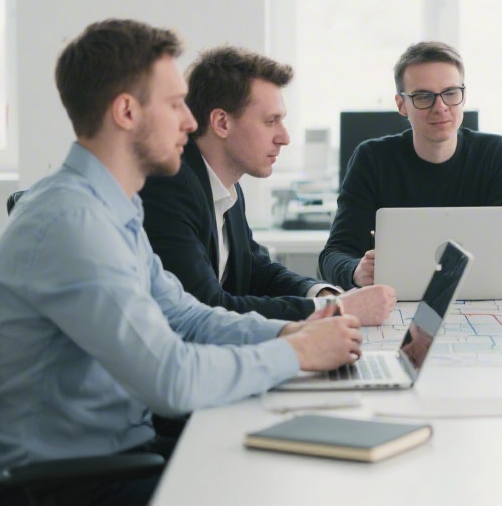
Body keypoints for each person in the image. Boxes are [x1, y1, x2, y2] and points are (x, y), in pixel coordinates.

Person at [0, 20, 363, 505]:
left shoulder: (116, 205)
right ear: (127, 112)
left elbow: (184, 315)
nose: (190, 122)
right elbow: (172, 380)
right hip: (61, 483)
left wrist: (285, 334)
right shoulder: (75, 223)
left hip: (115, 453)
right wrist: (298, 354)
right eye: (175, 105)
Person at [141, 46, 395, 323]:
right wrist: (335, 310)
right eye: (270, 121)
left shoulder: (226, 185)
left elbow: (255, 270)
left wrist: (322, 295)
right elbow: (205, 307)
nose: (284, 138)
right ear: (221, 123)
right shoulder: (170, 187)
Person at [319, 41, 502, 289]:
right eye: (423, 96)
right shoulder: (371, 159)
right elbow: (333, 255)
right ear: (401, 104)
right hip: (394, 305)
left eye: (450, 93)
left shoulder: (496, 155)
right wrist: (355, 270)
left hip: (481, 302)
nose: (440, 107)